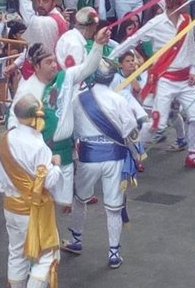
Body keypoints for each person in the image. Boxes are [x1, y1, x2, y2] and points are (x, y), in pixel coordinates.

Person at [109, 0, 195, 167]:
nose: (185, 7)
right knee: (157, 124)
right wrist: (110, 56)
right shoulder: (156, 23)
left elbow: (190, 47)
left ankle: (193, 154)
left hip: (185, 79)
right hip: (165, 80)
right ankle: (134, 153)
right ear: (174, 5)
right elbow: (133, 40)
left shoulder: (186, 21)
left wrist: (194, 70)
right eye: (182, 4)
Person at [10, 29, 110, 208]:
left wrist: (98, 44)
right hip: (41, 156)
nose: (54, 65)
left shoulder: (66, 77)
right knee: (44, 204)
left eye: (55, 61)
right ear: (36, 66)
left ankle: (64, 234)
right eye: (49, 62)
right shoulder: (26, 90)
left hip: (65, 152)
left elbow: (88, 67)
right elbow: (14, 121)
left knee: (65, 205)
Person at [61, 59, 140, 269]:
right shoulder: (118, 100)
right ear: (112, 77)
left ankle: (76, 240)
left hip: (87, 155)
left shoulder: (78, 100)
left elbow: (72, 128)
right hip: (114, 157)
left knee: (80, 199)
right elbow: (131, 129)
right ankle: (114, 252)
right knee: (114, 206)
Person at [0, 93, 64, 288]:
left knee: (17, 252)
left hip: (10, 207)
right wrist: (56, 166)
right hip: (34, 210)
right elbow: (48, 182)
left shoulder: (5, 138)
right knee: (46, 257)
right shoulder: (38, 146)